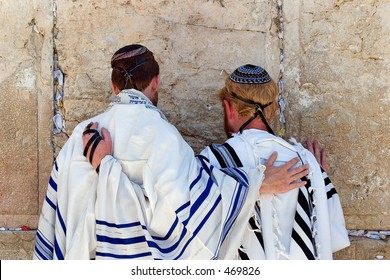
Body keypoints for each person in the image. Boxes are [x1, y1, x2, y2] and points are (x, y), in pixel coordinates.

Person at [33, 45, 309, 260]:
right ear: (156, 82)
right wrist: (257, 183)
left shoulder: (80, 137)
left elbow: (55, 218)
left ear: (114, 86)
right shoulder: (166, 138)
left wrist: (106, 166)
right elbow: (194, 214)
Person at [199, 64, 350, 259]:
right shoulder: (308, 163)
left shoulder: (214, 160)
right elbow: (333, 237)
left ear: (228, 107)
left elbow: (193, 223)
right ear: (275, 109)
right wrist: (319, 180)